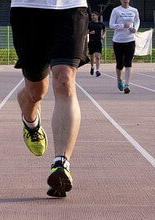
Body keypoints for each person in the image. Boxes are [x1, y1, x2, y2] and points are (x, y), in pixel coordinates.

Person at [10, 0, 89, 198]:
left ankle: (61, 163)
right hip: (27, 9)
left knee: (65, 80)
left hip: (70, 8)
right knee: (36, 91)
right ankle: (31, 122)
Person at [109, 0, 140, 94]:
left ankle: (127, 84)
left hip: (130, 40)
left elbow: (137, 21)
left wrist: (135, 28)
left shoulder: (134, 10)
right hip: (118, 40)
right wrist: (122, 26)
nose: (125, 1)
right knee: (119, 64)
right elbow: (111, 25)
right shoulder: (116, 10)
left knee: (128, 63)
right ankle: (119, 79)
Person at [87, 11, 106, 77]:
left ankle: (97, 70)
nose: (92, 17)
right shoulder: (89, 24)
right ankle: (92, 67)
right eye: (92, 16)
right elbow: (84, 31)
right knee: (92, 57)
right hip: (91, 42)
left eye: (93, 15)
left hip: (98, 42)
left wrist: (103, 35)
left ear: (97, 16)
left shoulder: (101, 24)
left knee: (98, 57)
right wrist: (89, 32)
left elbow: (104, 30)